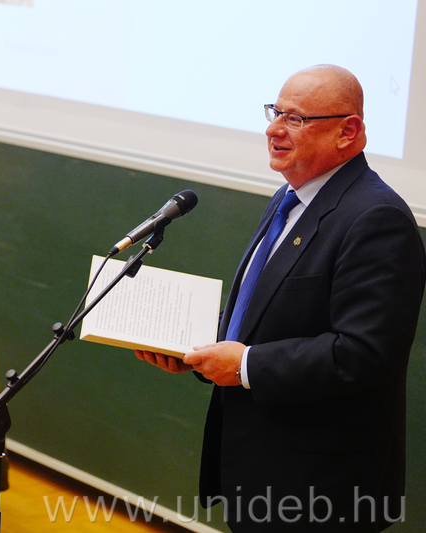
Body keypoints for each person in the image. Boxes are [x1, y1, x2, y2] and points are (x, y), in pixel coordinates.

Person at [136, 65, 425, 532]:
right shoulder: (289, 197)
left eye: (295, 119)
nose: (273, 129)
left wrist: (245, 365)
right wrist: (195, 347)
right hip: (259, 469)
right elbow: (264, 312)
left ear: (347, 131)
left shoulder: (377, 218)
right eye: (275, 112)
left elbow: (366, 354)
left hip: (322, 489)